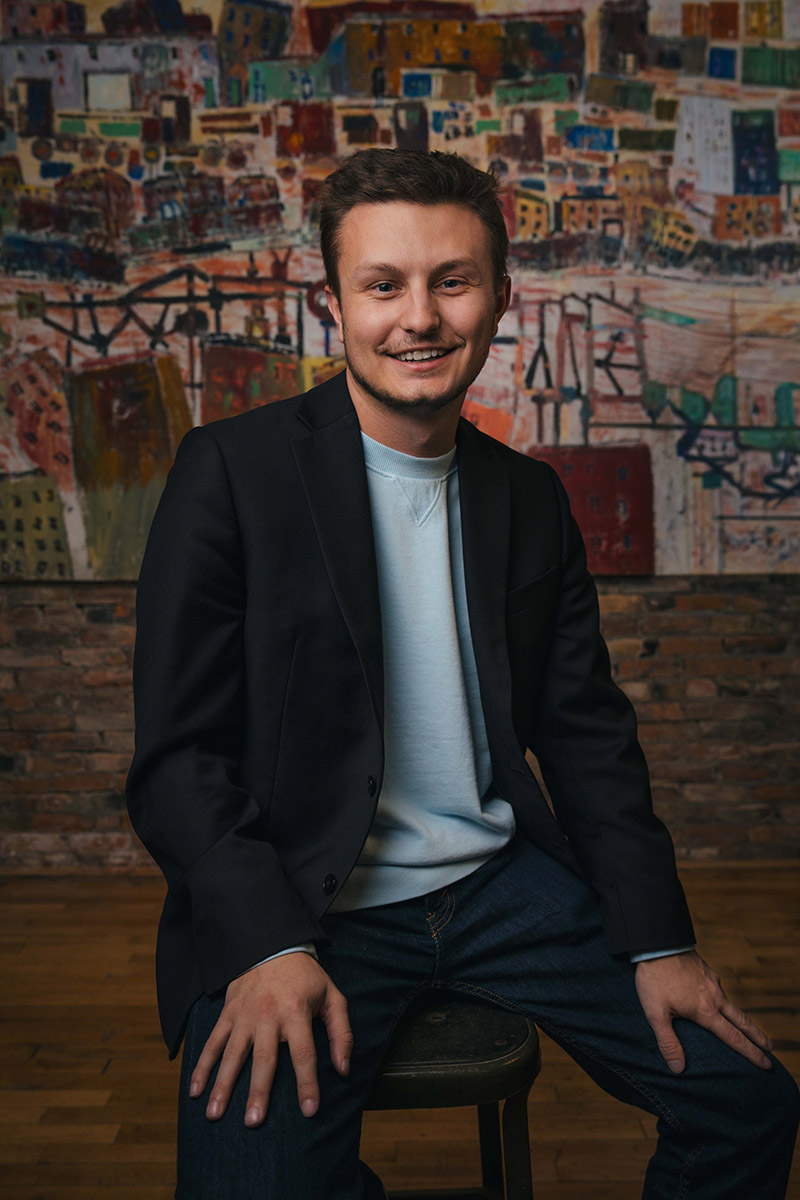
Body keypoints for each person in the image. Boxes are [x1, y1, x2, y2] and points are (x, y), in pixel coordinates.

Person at [127, 149, 799, 1200]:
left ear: (496, 297)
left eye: (451, 280)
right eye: (383, 284)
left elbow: (584, 735)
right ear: (333, 304)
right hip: (308, 899)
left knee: (746, 1100)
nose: (419, 318)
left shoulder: (526, 499)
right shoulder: (230, 471)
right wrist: (261, 946)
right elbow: (176, 763)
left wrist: (659, 939)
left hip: (499, 885)